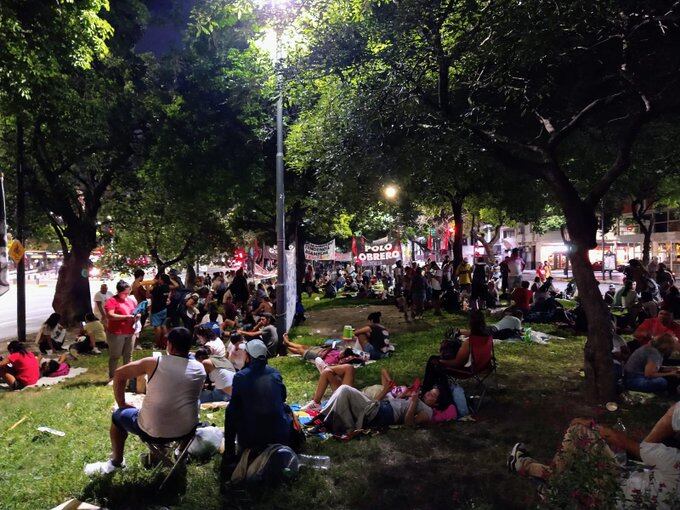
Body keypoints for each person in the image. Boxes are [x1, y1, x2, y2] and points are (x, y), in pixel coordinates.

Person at [508, 404, 680, 509]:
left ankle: (530, 468)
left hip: (612, 493)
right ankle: (550, 481)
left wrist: (587, 423)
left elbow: (617, 438)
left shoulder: (673, 459)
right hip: (632, 496)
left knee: (577, 431)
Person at [84, 327, 206, 475]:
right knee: (192, 407)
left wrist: (122, 403)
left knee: (117, 416)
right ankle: (180, 452)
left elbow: (119, 374)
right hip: (186, 430)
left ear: (170, 345)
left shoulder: (154, 362)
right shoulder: (200, 368)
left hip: (152, 430)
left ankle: (116, 462)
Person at [222, 340, 293, 478]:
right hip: (280, 436)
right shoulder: (274, 373)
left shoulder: (241, 377)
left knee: (230, 412)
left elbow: (235, 408)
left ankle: (230, 454)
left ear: (248, 356)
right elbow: (282, 397)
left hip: (252, 439)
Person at [311, 382, 446, 435]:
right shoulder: (415, 398)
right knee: (343, 391)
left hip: (381, 413)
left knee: (345, 390)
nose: (428, 393)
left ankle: (326, 421)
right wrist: (404, 396)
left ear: (436, 404)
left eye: (433, 395)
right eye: (430, 391)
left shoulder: (427, 411)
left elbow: (409, 424)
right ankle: (325, 420)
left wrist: (413, 402)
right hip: (379, 406)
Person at [104, 280, 139, 381]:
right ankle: (112, 377)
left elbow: (134, 311)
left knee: (128, 355)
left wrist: (136, 316)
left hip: (130, 331)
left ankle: (127, 377)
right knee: (115, 355)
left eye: (128, 292)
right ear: (118, 291)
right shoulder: (112, 301)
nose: (127, 295)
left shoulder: (130, 300)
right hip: (116, 333)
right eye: (125, 293)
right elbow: (110, 315)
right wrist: (126, 317)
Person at [150, 273, 173, 348]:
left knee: (157, 327)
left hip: (157, 309)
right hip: (164, 308)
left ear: (162, 280)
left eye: (159, 278)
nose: (158, 280)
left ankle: (157, 344)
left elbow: (149, 295)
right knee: (164, 326)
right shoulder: (167, 287)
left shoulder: (158, 288)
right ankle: (165, 343)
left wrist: (148, 287)